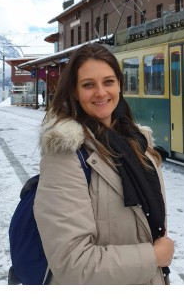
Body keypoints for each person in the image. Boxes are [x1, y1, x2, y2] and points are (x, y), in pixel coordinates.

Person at [34, 43, 173, 284]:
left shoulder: (137, 145)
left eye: (108, 82)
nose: (101, 92)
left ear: (119, 85)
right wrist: (153, 256)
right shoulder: (66, 156)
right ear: (75, 91)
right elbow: (72, 262)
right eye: (89, 85)